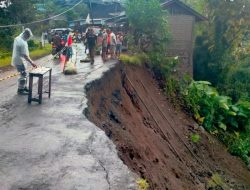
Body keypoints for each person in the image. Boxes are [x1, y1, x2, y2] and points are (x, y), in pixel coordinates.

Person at [11, 28, 37, 95]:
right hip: (20, 61)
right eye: (28, 37)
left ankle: (24, 87)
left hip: (18, 59)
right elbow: (25, 55)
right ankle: (20, 90)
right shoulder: (21, 42)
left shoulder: (19, 38)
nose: (28, 38)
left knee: (25, 74)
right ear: (25, 35)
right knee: (23, 75)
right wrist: (32, 63)